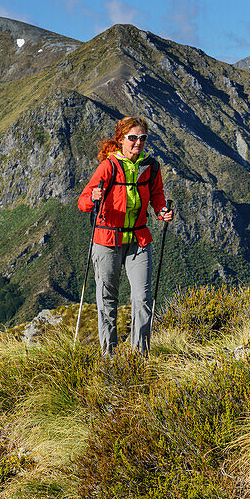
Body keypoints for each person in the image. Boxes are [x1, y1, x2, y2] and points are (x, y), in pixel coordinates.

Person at [77, 116, 174, 355]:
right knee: (107, 300)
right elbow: (82, 202)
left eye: (142, 138)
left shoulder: (150, 166)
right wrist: (93, 198)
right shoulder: (108, 167)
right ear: (121, 140)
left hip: (139, 240)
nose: (138, 143)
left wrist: (162, 211)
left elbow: (157, 194)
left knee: (142, 298)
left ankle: (139, 357)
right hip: (107, 240)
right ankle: (109, 357)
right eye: (132, 138)